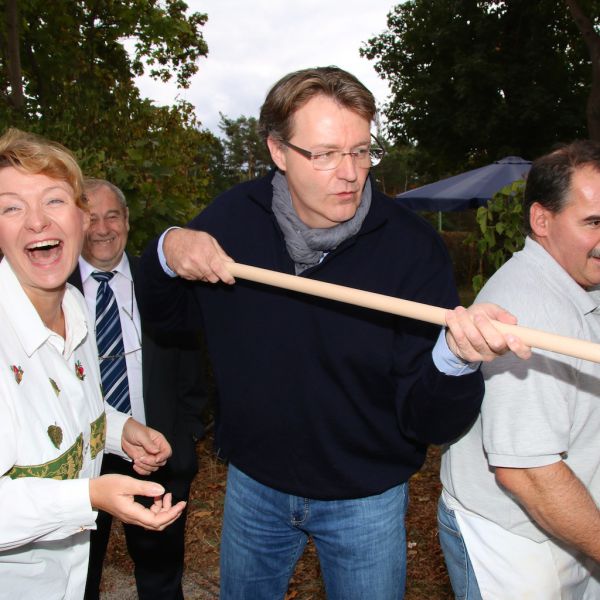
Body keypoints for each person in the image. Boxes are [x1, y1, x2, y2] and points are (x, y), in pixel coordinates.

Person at [136, 66, 529, 600]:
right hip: (254, 485)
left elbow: (432, 419)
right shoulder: (233, 221)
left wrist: (455, 361)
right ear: (278, 151)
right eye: (324, 154)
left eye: (361, 151)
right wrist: (166, 251)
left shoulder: (412, 250)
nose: (350, 172)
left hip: (365, 498)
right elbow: (168, 321)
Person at [0, 128, 186, 600]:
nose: (37, 222)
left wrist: (121, 430)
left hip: (69, 576)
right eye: (11, 207)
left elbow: (76, 409)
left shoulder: (77, 310)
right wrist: (91, 496)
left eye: (54, 201)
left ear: (80, 219)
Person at [440, 140, 600, 599]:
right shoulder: (524, 310)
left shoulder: (581, 277)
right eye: (592, 222)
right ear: (541, 220)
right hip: (512, 541)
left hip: (569, 522)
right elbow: (528, 472)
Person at [68, 178, 208, 600]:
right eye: (89, 217)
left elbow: (194, 363)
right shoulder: (54, 288)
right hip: (81, 464)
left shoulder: (161, 285)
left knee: (161, 578)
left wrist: (184, 440)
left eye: (112, 215)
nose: (101, 228)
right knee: (77, 579)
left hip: (156, 456)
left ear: (127, 221)